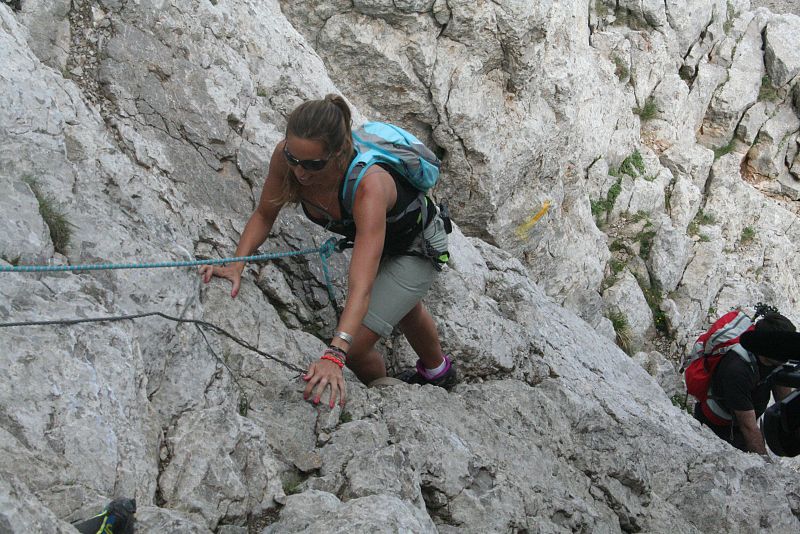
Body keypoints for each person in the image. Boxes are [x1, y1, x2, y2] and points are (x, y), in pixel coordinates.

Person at [199, 94, 456, 408]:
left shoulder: (369, 185)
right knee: (404, 307)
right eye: (294, 159)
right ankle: (438, 371)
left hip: (417, 247)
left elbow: (361, 286)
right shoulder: (287, 157)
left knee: (357, 349)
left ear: (338, 153)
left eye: (313, 164)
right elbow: (265, 214)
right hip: (383, 237)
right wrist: (237, 264)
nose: (300, 172)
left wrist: (335, 354)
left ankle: (382, 396)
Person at [694, 312, 796, 454]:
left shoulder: (775, 358)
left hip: (744, 418)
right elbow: (748, 428)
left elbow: (784, 399)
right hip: (719, 428)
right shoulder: (737, 370)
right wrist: (767, 467)